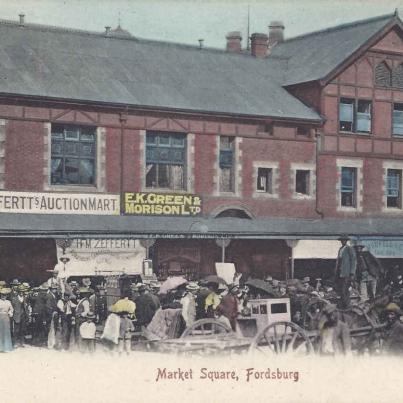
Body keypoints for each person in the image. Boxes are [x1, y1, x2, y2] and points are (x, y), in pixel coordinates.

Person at [334, 235, 357, 309]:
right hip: (340, 273)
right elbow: (339, 261)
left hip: (346, 273)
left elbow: (353, 260)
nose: (342, 242)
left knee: (344, 290)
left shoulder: (349, 249)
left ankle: (347, 306)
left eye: (344, 240)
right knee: (341, 290)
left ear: (346, 241)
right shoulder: (340, 249)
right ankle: (344, 305)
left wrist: (352, 272)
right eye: (341, 241)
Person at [0, 288, 13, 352]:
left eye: (5, 295)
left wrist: (10, 312)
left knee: (6, 332)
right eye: (2, 295)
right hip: (0, 317)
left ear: (7, 295)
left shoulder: (8, 302)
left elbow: (11, 309)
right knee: (0, 332)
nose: (3, 296)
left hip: (6, 318)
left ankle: (6, 348)